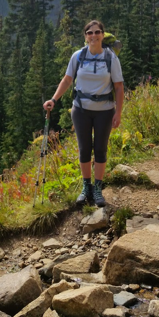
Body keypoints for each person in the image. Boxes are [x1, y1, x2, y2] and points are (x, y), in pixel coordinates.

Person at [43, 20, 124, 207]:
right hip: (80, 110)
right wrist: (53, 100)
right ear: (85, 36)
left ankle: (97, 188)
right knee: (84, 149)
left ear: (103, 35)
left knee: (101, 149)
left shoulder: (111, 58)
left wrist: (118, 113)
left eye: (97, 32)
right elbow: (67, 79)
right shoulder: (78, 56)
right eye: (89, 32)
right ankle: (86, 186)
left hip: (105, 111)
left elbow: (119, 87)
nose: (93, 36)